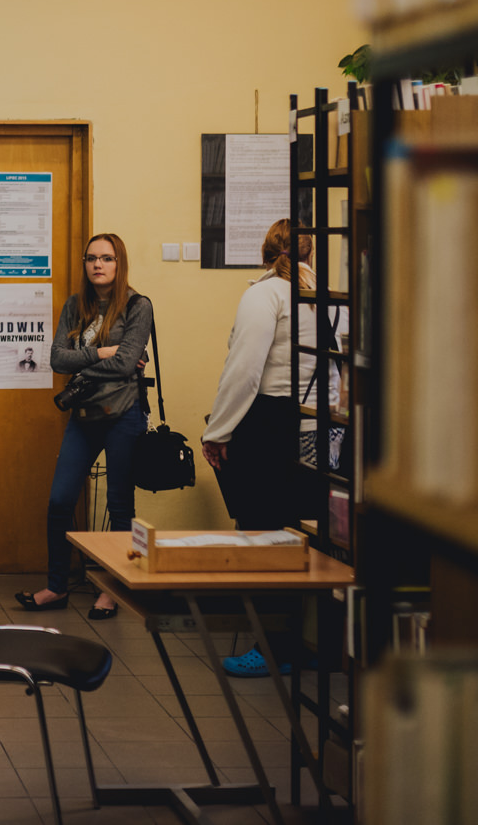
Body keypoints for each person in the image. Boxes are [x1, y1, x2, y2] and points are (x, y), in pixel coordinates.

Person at [16, 233, 153, 617]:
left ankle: (111, 589)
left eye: (106, 258)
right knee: (60, 501)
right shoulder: (75, 306)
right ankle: (56, 587)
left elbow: (127, 365)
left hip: (123, 414)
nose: (98, 264)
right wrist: (104, 352)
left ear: (119, 263)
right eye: (91, 258)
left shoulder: (138, 306)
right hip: (83, 418)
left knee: (119, 504)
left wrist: (90, 358)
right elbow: (57, 359)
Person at [202, 217, 311, 676]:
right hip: (320, 426)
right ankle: (297, 643)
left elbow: (244, 371)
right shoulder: (330, 295)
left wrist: (218, 432)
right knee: (301, 538)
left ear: (265, 251)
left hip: (269, 424)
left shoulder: (263, 295)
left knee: (263, 537)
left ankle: (268, 648)